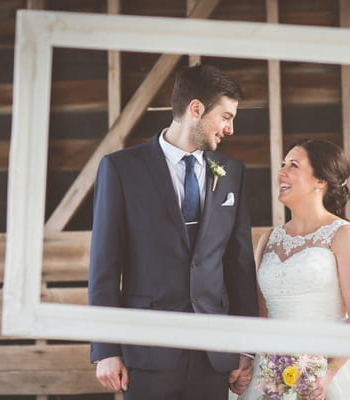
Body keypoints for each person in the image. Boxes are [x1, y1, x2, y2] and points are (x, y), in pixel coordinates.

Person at [88, 64, 259, 400]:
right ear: (196, 109)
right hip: (148, 350)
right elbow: (104, 265)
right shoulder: (121, 169)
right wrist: (105, 348)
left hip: (214, 351)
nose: (230, 128)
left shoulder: (231, 173)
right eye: (226, 116)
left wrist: (246, 348)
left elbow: (239, 266)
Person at [238, 139, 350, 400]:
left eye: (293, 165)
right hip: (271, 370)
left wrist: (328, 373)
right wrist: (247, 358)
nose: (281, 173)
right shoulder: (268, 239)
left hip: (333, 368)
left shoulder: (344, 235)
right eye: (282, 165)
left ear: (320, 180)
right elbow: (259, 314)